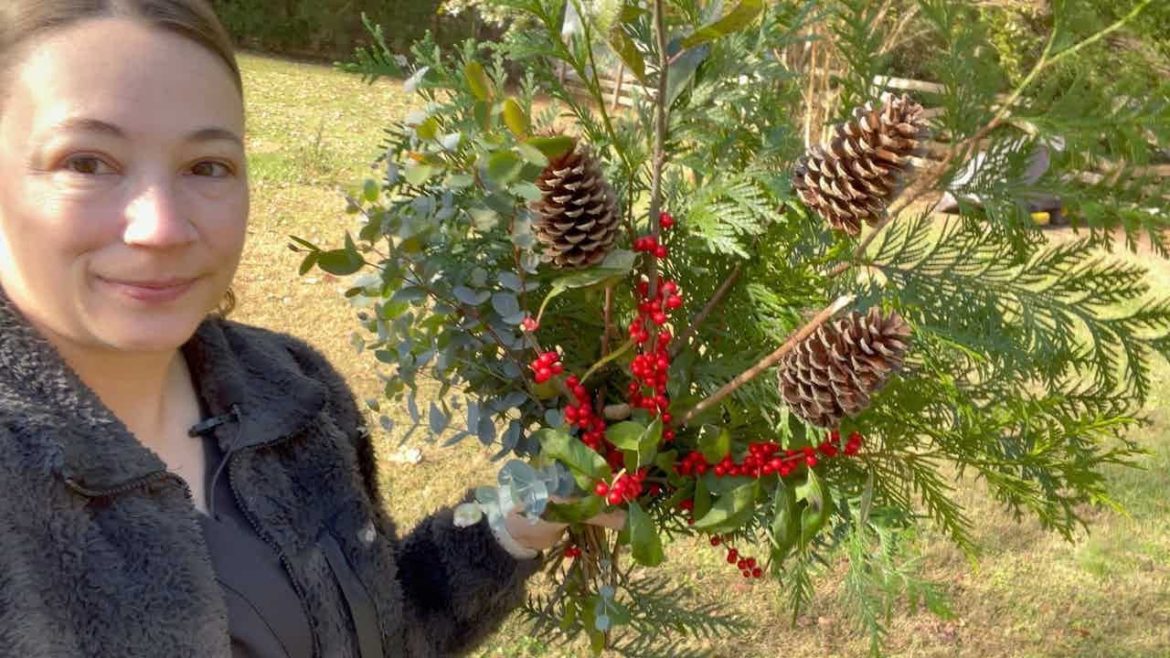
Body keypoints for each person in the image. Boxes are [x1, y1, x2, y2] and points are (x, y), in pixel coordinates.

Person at [0, 2, 600, 656]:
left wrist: (517, 525)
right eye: (86, 162)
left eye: (207, 165)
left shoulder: (292, 392)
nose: (163, 226)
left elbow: (382, 629)